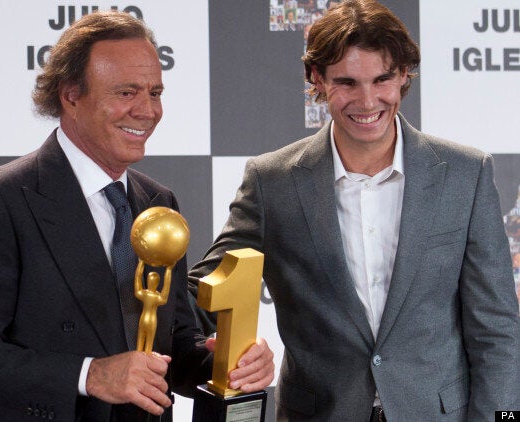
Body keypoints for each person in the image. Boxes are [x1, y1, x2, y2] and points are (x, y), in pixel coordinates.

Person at [189, 1, 520, 420]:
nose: (367, 102)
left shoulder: (465, 174)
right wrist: (196, 341)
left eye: (382, 79)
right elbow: (206, 288)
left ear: (403, 76)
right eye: (347, 82)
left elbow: (497, 327)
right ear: (318, 80)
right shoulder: (272, 181)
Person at [0, 11, 274, 422]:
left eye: (155, 93)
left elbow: (172, 344)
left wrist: (226, 364)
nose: (148, 111)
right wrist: (89, 375)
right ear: (71, 95)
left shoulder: (158, 201)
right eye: (126, 93)